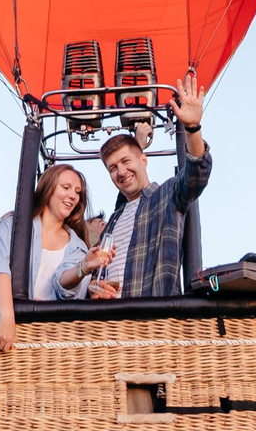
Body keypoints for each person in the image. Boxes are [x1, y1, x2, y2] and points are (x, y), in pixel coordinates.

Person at [85, 69, 210, 301]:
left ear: (143, 159)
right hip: (110, 323)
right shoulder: (113, 220)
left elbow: (197, 174)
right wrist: (95, 288)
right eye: (113, 168)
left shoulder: (167, 196)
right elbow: (98, 272)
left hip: (150, 318)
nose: (121, 172)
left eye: (125, 161)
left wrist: (193, 128)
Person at [0, 161, 94, 353]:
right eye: (66, 187)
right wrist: (7, 317)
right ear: (48, 187)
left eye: (78, 192)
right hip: (13, 331)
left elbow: (67, 290)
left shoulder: (78, 248)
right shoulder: (13, 226)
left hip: (54, 340)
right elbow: (0, 271)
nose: (73, 195)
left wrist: (84, 267)